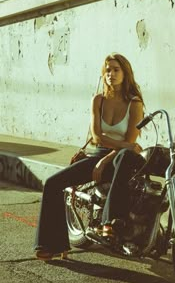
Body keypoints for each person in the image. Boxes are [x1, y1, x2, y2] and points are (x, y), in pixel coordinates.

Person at [35, 53, 145, 260]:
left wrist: (107, 158)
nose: (110, 74)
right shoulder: (98, 100)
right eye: (107, 70)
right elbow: (97, 136)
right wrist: (120, 148)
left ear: (125, 73)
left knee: (125, 157)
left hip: (120, 160)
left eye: (116, 69)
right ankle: (52, 245)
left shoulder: (134, 103)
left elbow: (127, 145)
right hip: (96, 154)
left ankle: (109, 221)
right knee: (52, 183)